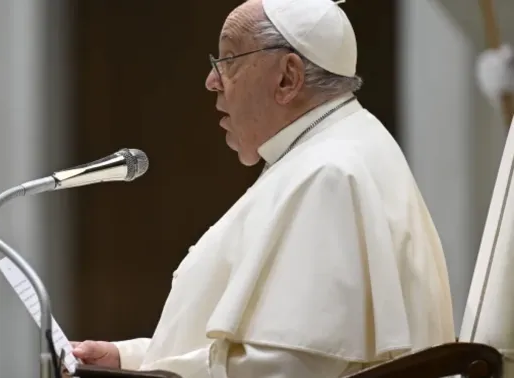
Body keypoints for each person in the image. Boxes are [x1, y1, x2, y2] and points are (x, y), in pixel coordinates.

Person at [71, 0, 456, 376]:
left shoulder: (330, 173)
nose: (212, 82)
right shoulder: (327, 150)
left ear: (288, 77)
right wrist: (129, 360)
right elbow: (262, 352)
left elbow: (291, 367)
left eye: (228, 61)